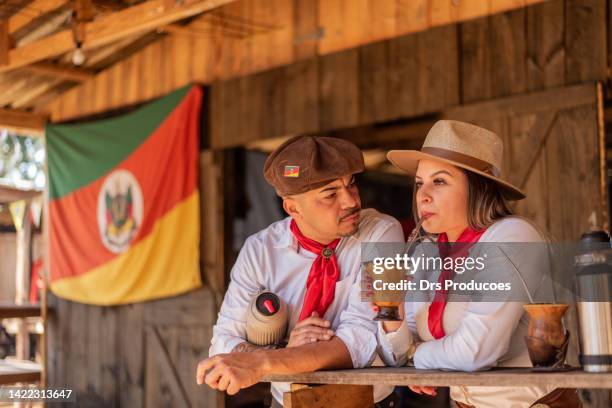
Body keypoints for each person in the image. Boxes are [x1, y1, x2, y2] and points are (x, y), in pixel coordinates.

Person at [373, 120, 581, 408]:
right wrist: (391, 317)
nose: (423, 194)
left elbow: (476, 352)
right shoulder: (426, 252)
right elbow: (396, 357)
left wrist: (416, 357)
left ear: (478, 188)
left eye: (440, 181)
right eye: (419, 183)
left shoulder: (512, 237)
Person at [197, 135, 404, 407]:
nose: (351, 201)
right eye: (330, 194)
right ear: (292, 208)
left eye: (351, 184)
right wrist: (283, 350)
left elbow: (359, 342)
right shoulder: (260, 250)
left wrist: (263, 362)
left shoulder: (383, 234)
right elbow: (223, 341)